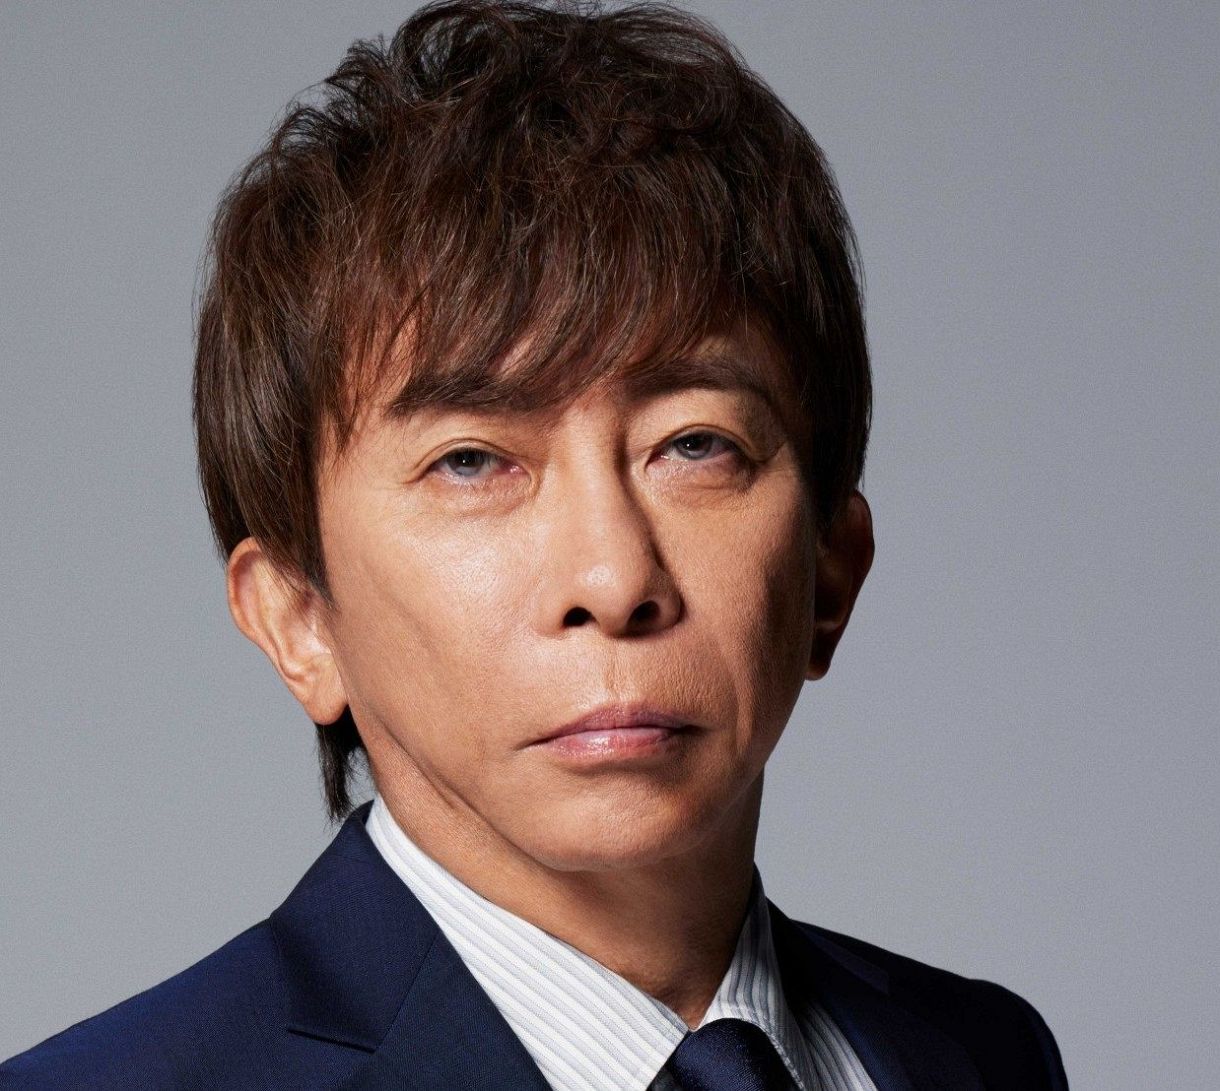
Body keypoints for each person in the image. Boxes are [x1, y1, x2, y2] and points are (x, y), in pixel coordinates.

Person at [0, 1, 1069, 1088]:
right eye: (470, 461)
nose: (612, 577)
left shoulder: (981, 1054)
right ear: (298, 619)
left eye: (693, 444)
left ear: (830, 570)